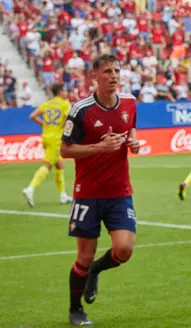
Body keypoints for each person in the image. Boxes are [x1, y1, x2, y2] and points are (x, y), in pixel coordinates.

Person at [60, 55, 140, 326]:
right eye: (107, 71)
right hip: (88, 193)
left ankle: (96, 270)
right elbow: (65, 149)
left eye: (117, 70)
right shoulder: (81, 109)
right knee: (83, 256)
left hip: (119, 192)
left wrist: (134, 143)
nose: (114, 75)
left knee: (124, 250)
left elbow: (131, 132)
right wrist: (98, 148)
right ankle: (75, 309)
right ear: (95, 76)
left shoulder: (130, 102)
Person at [21, 84, 73, 207]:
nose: (65, 92)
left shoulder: (47, 103)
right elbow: (68, 119)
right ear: (60, 91)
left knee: (59, 165)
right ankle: (30, 188)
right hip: (56, 138)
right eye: (64, 90)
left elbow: (32, 116)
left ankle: (62, 195)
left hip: (46, 137)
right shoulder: (64, 103)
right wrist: (64, 129)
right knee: (49, 164)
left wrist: (45, 125)